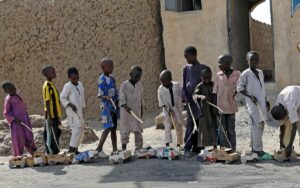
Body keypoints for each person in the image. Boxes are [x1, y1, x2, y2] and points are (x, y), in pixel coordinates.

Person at [237, 51, 270, 157]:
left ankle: (253, 147)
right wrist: (250, 96)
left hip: (262, 103)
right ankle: (258, 150)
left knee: (261, 124)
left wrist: (267, 100)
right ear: (247, 61)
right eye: (252, 60)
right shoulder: (245, 74)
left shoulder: (260, 72)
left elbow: (262, 88)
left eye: (256, 59)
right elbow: (239, 88)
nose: (254, 61)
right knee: (256, 125)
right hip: (252, 104)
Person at [182, 46, 209, 158]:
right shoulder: (186, 68)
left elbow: (205, 86)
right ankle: (187, 148)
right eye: (185, 57)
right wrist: (185, 98)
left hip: (199, 103)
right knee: (190, 125)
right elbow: (184, 85)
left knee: (200, 125)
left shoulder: (203, 68)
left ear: (194, 55)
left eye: (188, 57)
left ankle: (198, 147)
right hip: (189, 102)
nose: (186, 59)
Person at [213, 54, 241, 151]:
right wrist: (214, 108)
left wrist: (236, 92)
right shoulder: (218, 75)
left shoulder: (237, 74)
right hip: (220, 108)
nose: (218, 64)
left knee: (231, 131)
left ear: (228, 63)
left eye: (220, 62)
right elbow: (214, 92)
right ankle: (224, 150)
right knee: (221, 131)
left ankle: (232, 150)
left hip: (231, 108)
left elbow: (241, 86)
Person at [2, 81, 37, 157]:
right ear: (6, 91)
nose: (13, 90)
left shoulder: (18, 95)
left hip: (25, 120)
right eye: (10, 90)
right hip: (16, 124)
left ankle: (34, 154)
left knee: (29, 136)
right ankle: (18, 158)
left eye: (14, 88)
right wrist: (14, 119)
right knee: (19, 140)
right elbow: (6, 113)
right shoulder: (8, 100)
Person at [95, 58, 118, 158]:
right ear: (103, 68)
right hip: (106, 108)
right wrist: (106, 97)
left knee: (114, 128)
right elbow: (99, 95)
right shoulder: (101, 79)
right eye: (110, 67)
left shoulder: (112, 79)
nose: (112, 68)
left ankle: (115, 149)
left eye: (112, 66)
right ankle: (99, 149)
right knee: (107, 128)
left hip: (113, 107)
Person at [60, 67, 85, 154]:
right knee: (76, 129)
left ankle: (76, 148)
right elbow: (62, 97)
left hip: (79, 110)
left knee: (81, 129)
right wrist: (70, 104)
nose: (75, 80)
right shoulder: (67, 86)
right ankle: (71, 149)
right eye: (73, 78)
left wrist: (83, 107)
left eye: (77, 78)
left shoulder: (80, 84)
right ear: (69, 78)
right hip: (72, 111)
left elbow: (82, 97)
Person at [119, 66, 144, 151]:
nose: (137, 78)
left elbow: (141, 99)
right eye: (136, 76)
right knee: (125, 131)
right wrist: (125, 106)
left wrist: (141, 110)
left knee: (138, 130)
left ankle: (138, 148)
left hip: (136, 112)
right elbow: (121, 98)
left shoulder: (140, 86)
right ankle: (124, 149)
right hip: (126, 113)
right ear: (130, 75)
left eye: (139, 77)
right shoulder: (124, 85)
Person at [271, 86, 300, 157]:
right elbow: (282, 126)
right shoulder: (277, 105)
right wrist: (281, 145)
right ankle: (284, 145)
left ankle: (289, 146)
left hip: (297, 95)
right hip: (292, 95)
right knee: (286, 125)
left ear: (285, 112)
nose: (285, 118)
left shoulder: (290, 105)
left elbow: (294, 126)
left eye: (284, 117)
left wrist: (290, 145)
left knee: (299, 124)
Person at [157, 70, 183, 149]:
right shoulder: (160, 89)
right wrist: (164, 106)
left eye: (164, 80)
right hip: (166, 109)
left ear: (170, 79)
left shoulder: (176, 85)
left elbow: (181, 94)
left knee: (179, 124)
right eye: (161, 81)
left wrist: (183, 101)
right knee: (167, 126)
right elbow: (160, 100)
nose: (162, 83)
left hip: (177, 108)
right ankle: (167, 143)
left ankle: (179, 143)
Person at [194, 68, 218, 149]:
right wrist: (200, 96)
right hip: (203, 112)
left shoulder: (214, 84)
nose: (207, 80)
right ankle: (203, 148)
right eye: (205, 78)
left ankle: (215, 146)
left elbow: (216, 95)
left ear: (211, 76)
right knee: (203, 130)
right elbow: (194, 96)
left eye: (209, 78)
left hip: (212, 110)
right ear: (201, 77)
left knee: (213, 128)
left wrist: (216, 109)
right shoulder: (200, 86)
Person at [42, 65, 62, 154]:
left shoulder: (51, 85)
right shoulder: (47, 85)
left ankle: (55, 152)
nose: (54, 73)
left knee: (56, 133)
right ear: (46, 74)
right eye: (52, 71)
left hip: (55, 115)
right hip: (50, 116)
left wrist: (57, 117)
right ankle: (50, 152)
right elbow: (47, 102)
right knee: (50, 134)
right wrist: (50, 118)